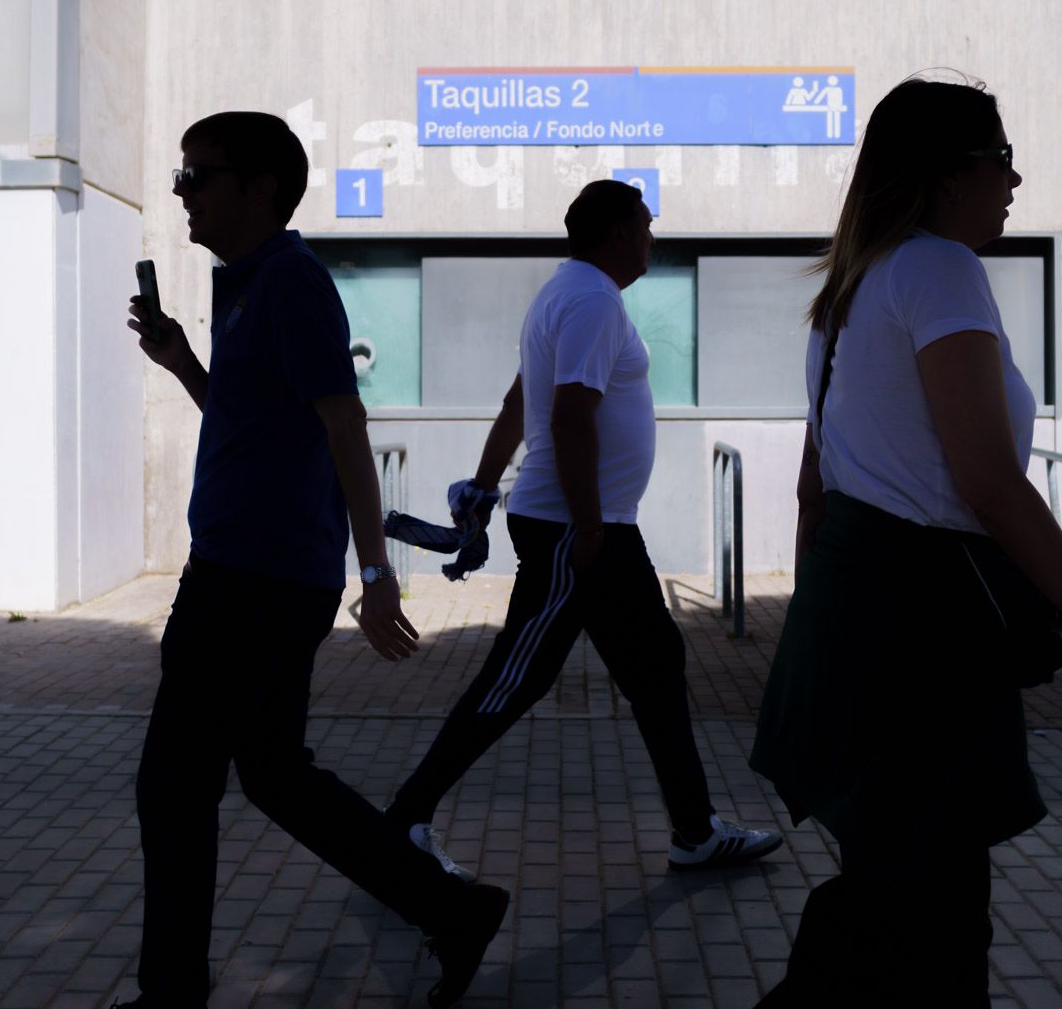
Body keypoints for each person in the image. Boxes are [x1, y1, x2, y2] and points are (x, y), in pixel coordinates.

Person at [749, 76, 1062, 1006]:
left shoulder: (852, 287)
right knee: (928, 917)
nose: (1015, 180)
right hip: (924, 633)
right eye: (1002, 159)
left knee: (898, 900)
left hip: (863, 616)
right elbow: (990, 484)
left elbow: (814, 489)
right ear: (946, 172)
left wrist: (829, 638)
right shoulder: (937, 271)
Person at [118, 111, 506, 1009]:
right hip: (252, 573)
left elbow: (343, 423)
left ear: (259, 189)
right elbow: (258, 422)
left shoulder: (290, 283)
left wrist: (376, 577)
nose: (183, 194)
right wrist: (182, 362)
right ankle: (452, 910)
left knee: (175, 787)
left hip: (249, 583)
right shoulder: (249, 286)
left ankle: (172, 991)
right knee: (274, 777)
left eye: (196, 176)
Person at [382, 179, 782, 882]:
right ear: (619, 233)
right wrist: (591, 523)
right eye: (647, 225)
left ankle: (695, 830)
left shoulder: (564, 294)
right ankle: (402, 822)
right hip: (577, 528)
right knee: (515, 678)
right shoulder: (593, 299)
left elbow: (516, 402)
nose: (654, 238)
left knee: (656, 669)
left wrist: (481, 489)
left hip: (591, 528)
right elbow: (567, 415)